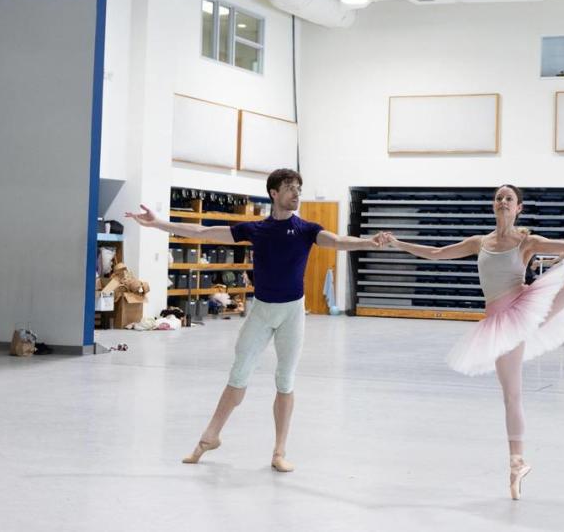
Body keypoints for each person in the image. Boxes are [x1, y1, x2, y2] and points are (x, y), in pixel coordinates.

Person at [383, 184, 564, 500]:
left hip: (527, 307)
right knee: (511, 397)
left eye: (509, 199)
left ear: (519, 209)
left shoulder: (525, 241)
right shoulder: (480, 242)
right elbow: (436, 253)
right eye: (499, 198)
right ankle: (517, 463)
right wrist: (398, 243)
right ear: (494, 206)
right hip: (499, 324)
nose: (503, 202)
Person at [126, 168, 384, 471]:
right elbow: (202, 232)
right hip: (262, 311)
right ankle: (210, 437)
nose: (296, 193)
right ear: (274, 193)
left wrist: (369, 241)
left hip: (292, 312)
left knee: (285, 381)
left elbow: (338, 241)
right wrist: (157, 224)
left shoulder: (306, 229)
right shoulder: (255, 229)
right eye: (289, 188)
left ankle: (278, 452)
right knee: (238, 375)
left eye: (298, 188)